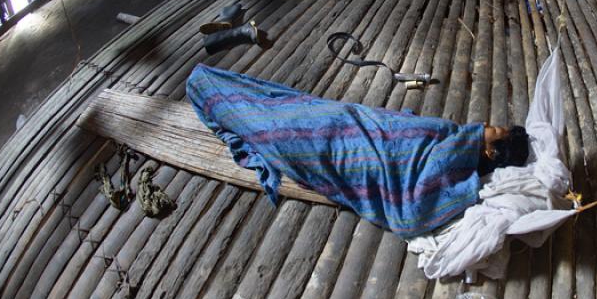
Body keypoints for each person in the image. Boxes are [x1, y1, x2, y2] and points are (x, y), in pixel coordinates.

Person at [186, 63, 530, 238]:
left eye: (494, 130)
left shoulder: (455, 167)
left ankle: (209, 90)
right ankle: (215, 88)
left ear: (491, 151)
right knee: (286, 104)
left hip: (337, 147)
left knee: (274, 127)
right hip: (348, 120)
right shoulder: (453, 136)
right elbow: (403, 128)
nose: (486, 123)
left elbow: (410, 211)